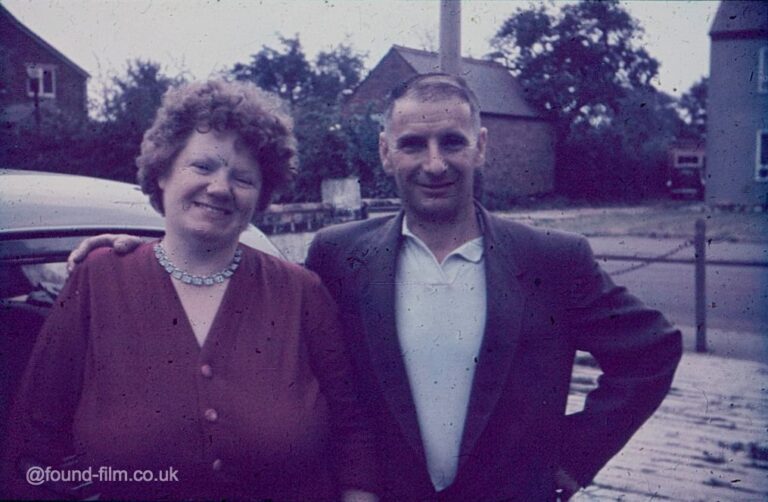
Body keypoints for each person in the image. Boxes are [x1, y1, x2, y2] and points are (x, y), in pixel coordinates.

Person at [65, 73, 682, 501]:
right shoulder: (338, 255)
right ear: (386, 152)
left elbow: (651, 351)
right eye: (412, 144)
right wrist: (136, 255)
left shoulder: (551, 258)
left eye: (452, 143)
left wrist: (575, 458)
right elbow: (244, 293)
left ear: (481, 147)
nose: (434, 163)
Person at [2, 80, 377, 501]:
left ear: (262, 195)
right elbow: (33, 443)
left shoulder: (301, 291)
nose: (220, 187)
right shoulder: (98, 279)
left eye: (243, 177)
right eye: (202, 167)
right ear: (162, 172)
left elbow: (354, 435)